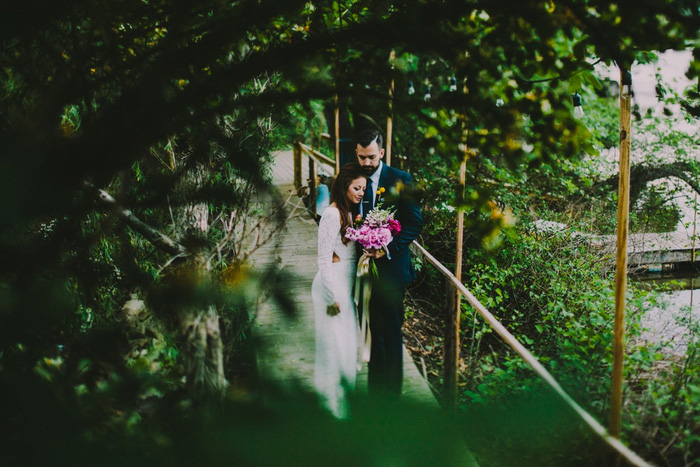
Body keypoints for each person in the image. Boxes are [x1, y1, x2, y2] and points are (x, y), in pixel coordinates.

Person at [356, 128, 423, 397]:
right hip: (362, 269)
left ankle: (392, 396)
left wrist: (388, 248)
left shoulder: (401, 179)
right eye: (362, 157)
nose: (367, 163)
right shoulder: (354, 176)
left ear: (381, 152)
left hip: (392, 271)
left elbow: (415, 222)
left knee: (392, 331)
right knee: (373, 327)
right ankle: (376, 391)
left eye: (371, 157)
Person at [311, 163, 367, 418]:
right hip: (331, 286)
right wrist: (333, 297)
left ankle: (343, 400)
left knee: (346, 341)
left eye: (364, 189)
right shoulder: (332, 214)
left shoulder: (350, 212)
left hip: (346, 285)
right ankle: (330, 403)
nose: (361, 193)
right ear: (344, 187)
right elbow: (323, 258)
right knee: (333, 344)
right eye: (357, 188)